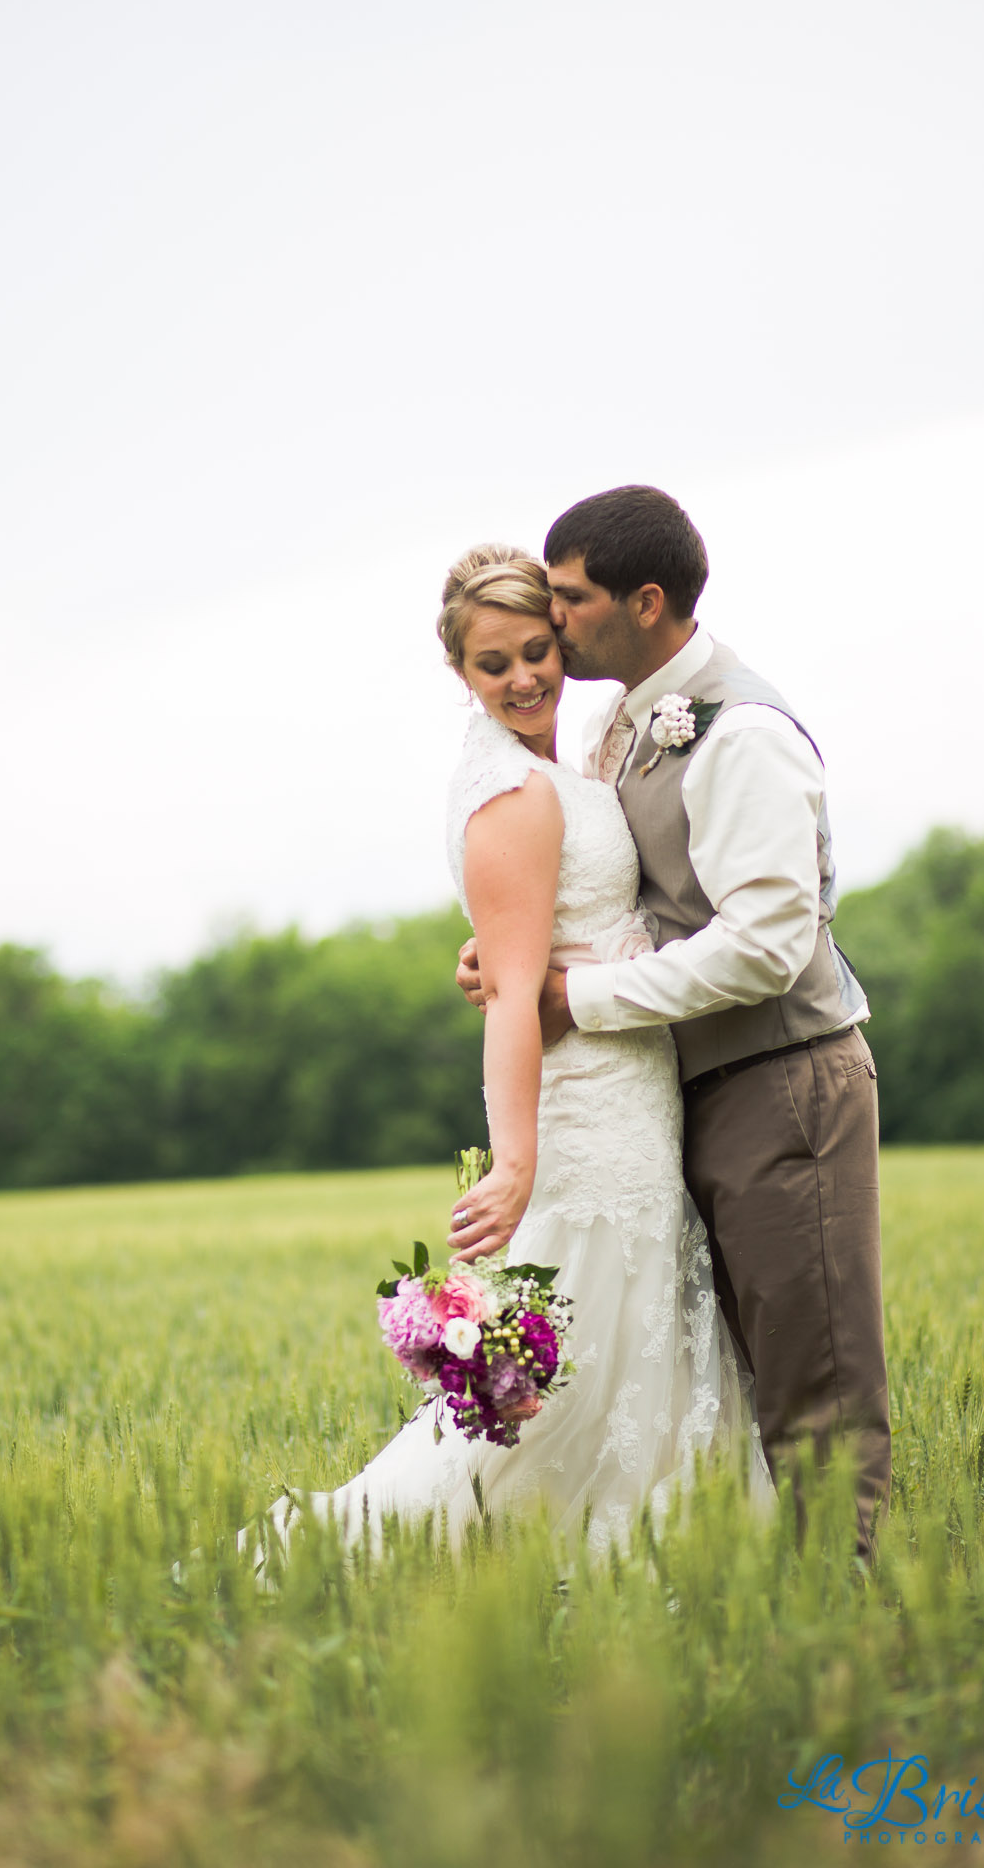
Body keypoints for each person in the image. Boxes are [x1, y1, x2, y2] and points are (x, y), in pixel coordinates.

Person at [245, 545, 768, 1565]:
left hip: (627, 1081)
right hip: (587, 1110)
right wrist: (515, 1162)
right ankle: (508, 1554)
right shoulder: (515, 795)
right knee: (574, 1367)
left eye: (538, 650)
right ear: (461, 675)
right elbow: (516, 1003)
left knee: (617, 1342)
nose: (525, 677)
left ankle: (627, 1543)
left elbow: (524, 949)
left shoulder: (539, 772)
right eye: (496, 664)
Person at [457, 487, 892, 1560]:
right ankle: (770, 1601)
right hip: (685, 1091)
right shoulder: (624, 722)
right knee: (739, 1371)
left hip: (785, 1079)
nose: (551, 627)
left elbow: (764, 944)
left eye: (568, 600)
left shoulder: (740, 733)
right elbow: (648, 900)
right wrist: (514, 952)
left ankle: (846, 1629)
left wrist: (577, 997)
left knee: (815, 1380)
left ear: (643, 601)